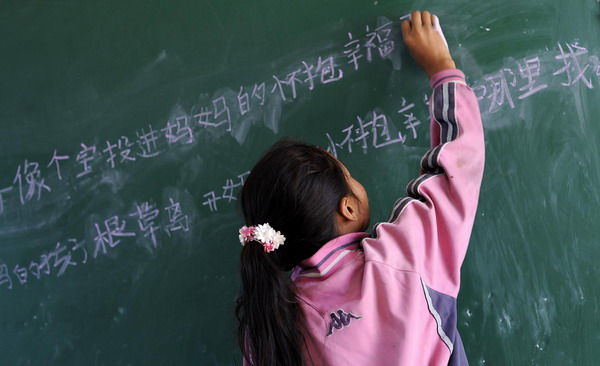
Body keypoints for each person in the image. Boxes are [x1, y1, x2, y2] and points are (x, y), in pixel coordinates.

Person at [235, 10, 485, 366]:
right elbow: (456, 169)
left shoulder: (266, 331)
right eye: (350, 176)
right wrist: (442, 67)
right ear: (348, 208)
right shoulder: (401, 259)